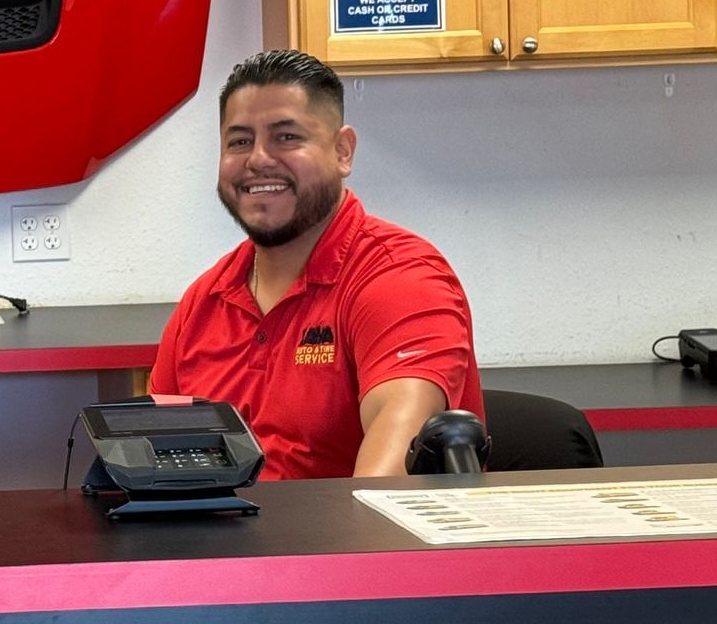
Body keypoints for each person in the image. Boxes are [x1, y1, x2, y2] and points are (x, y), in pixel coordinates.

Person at [148, 49, 482, 478]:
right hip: (223, 540)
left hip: (350, 542)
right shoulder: (203, 302)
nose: (258, 159)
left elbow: (385, 489)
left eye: (286, 137)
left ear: (342, 151)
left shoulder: (400, 279)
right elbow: (153, 465)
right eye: (239, 141)